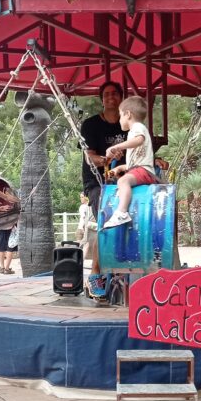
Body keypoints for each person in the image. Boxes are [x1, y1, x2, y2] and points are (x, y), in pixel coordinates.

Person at [79, 82, 126, 272]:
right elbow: (89, 158)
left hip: (123, 181)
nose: (110, 97)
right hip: (97, 183)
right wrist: (108, 159)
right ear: (102, 100)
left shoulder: (129, 124)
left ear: (121, 98)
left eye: (115, 93)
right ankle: (95, 272)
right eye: (106, 94)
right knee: (105, 221)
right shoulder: (90, 125)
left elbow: (140, 152)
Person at [102, 97, 157, 229]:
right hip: (140, 169)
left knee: (123, 181)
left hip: (144, 171)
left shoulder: (137, 127)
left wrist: (116, 147)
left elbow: (139, 140)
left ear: (128, 114)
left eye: (121, 115)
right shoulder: (134, 131)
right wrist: (118, 169)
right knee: (121, 181)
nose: (119, 119)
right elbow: (134, 163)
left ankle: (122, 212)